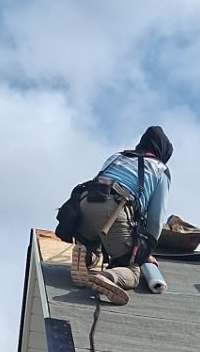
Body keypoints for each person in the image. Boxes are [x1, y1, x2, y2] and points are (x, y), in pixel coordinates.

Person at [53, 126, 174, 302]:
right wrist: (144, 252)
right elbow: (155, 220)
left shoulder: (117, 156)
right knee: (132, 270)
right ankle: (107, 278)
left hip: (85, 205)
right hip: (113, 212)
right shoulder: (160, 169)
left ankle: (85, 255)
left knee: (94, 245)